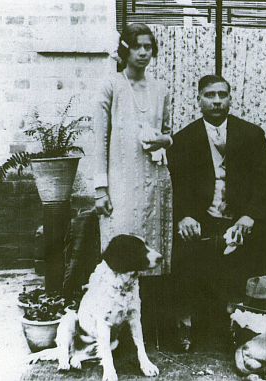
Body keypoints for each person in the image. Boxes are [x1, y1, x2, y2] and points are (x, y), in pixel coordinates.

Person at [167, 75, 266, 351]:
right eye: (210, 95)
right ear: (199, 99)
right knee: (185, 249)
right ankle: (185, 321)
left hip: (241, 217)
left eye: (222, 95)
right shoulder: (183, 139)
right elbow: (175, 184)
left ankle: (239, 323)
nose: (216, 101)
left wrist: (250, 215)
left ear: (230, 98)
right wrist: (184, 216)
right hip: (202, 218)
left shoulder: (251, 134)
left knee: (256, 248)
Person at [93, 23, 173, 343]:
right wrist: (101, 187)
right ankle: (113, 335)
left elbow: (168, 133)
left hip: (155, 178)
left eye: (148, 47)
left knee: (152, 252)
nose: (143, 53)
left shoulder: (161, 89)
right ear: (125, 49)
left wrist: (161, 140)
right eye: (137, 46)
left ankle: (148, 328)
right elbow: (98, 139)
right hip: (121, 180)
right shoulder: (110, 86)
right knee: (122, 249)